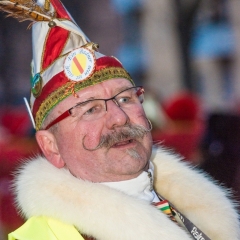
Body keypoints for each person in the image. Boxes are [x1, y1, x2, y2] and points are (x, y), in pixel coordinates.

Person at [1, 0, 239, 239]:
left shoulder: (192, 207)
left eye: (125, 99)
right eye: (90, 110)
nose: (119, 118)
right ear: (51, 146)